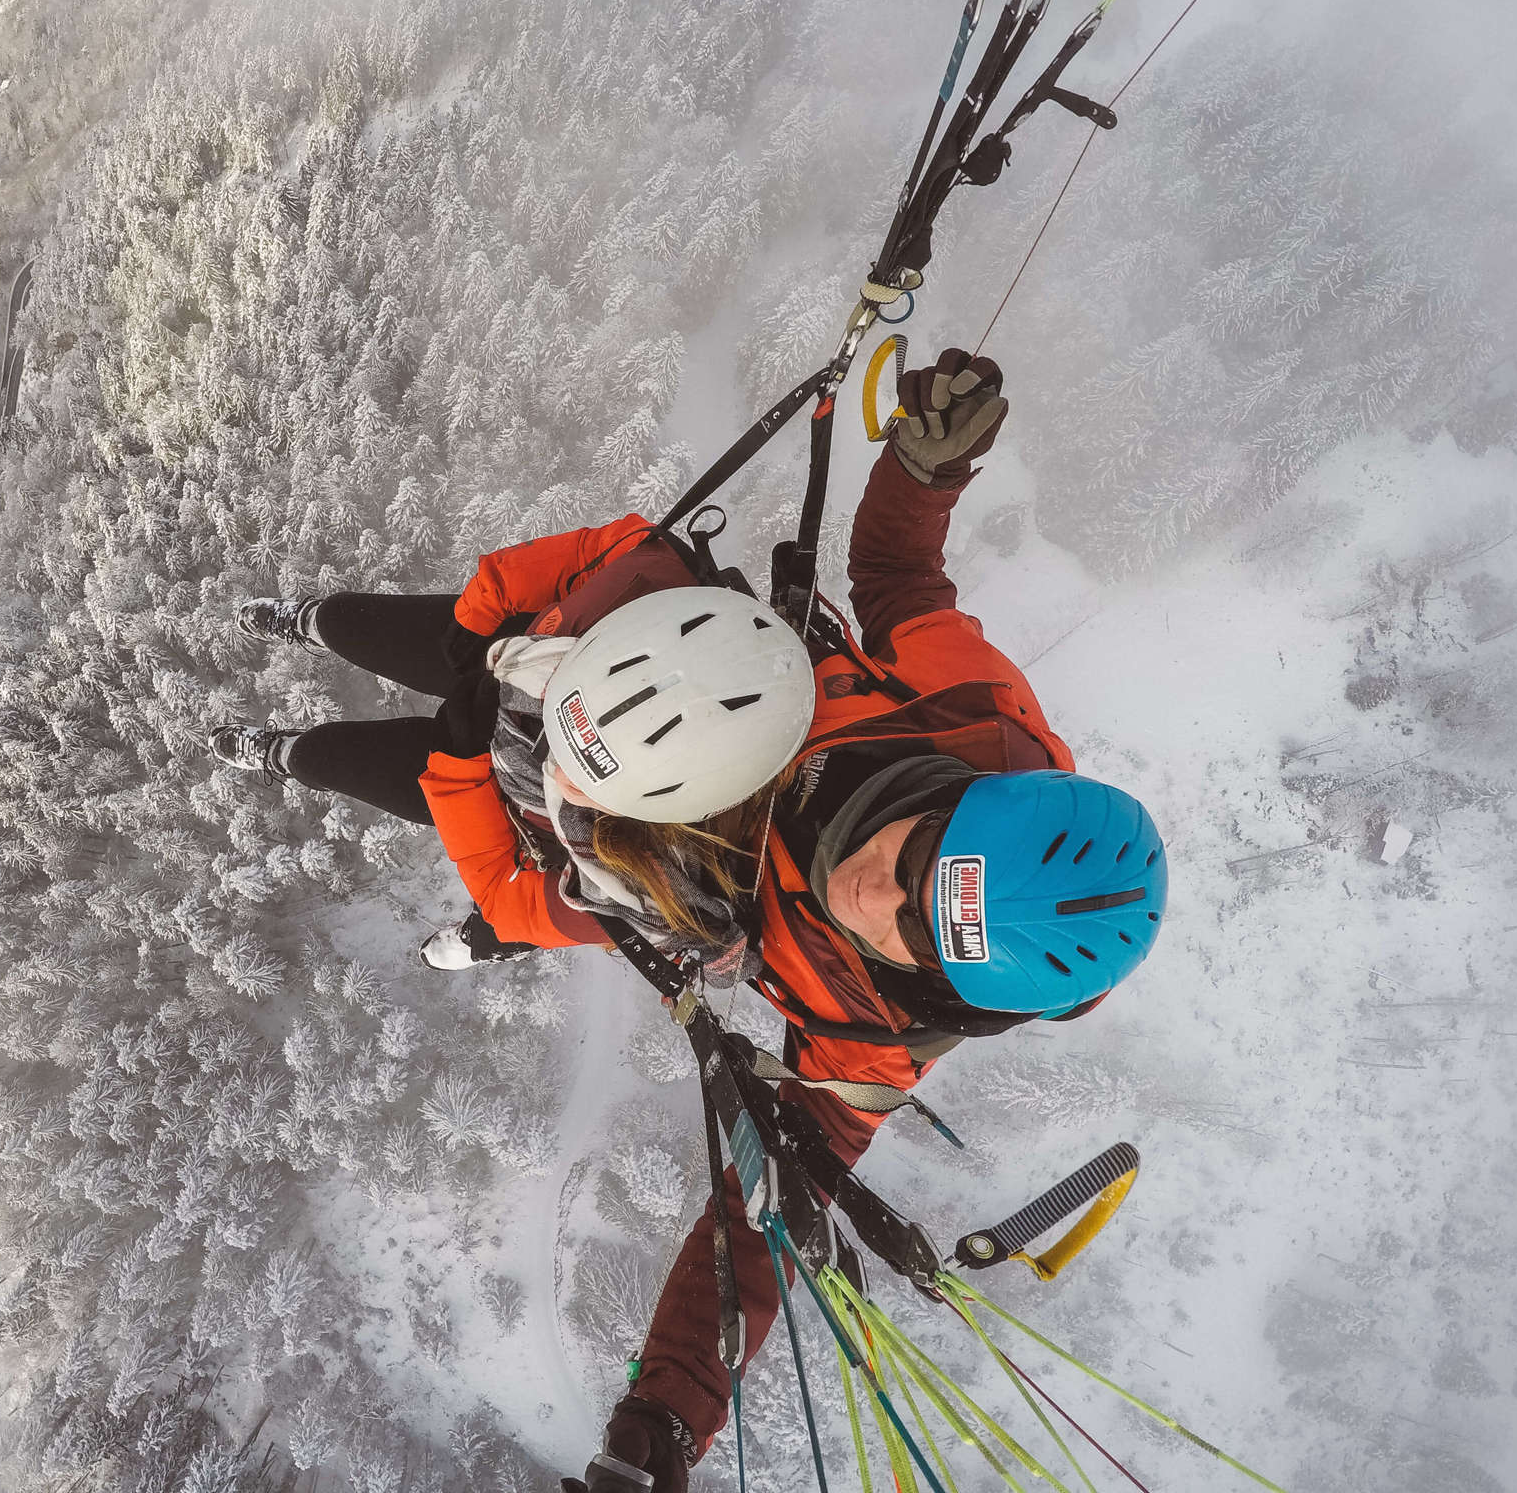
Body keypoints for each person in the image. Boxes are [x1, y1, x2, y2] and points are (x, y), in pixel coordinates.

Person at [214, 348, 1168, 1491]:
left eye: (919, 932)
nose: (875, 892)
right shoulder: (976, 720)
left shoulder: (867, 1041)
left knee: (367, 762)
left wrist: (659, 1427)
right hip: (632, 682)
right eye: (918, 857)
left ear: (959, 982)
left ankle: (272, 749)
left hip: (594, 838)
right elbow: (903, 588)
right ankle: (302, 620)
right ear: (969, 798)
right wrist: (924, 472)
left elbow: (752, 1231)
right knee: (400, 636)